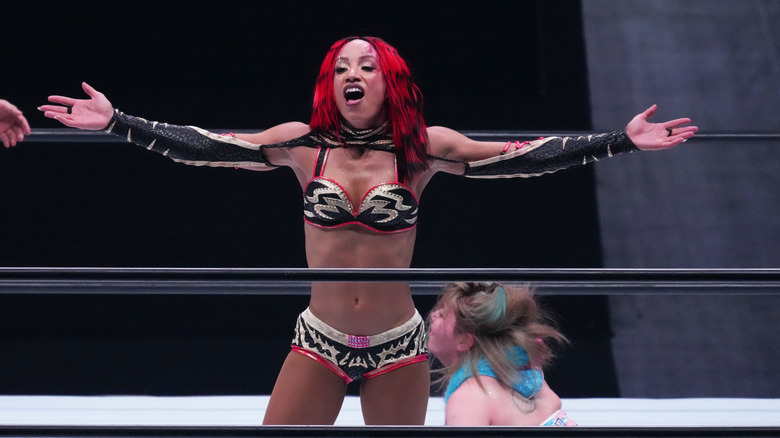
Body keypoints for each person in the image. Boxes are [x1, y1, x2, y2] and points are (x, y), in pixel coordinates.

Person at [38, 36, 697, 425]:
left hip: (396, 345)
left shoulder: (421, 150)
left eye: (366, 67)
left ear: (390, 82)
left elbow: (519, 157)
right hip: (319, 337)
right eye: (341, 68)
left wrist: (619, 141)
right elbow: (210, 145)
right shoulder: (302, 145)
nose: (353, 75)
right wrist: (120, 122)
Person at [427, 282, 576, 426]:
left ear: (464, 341)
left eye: (442, 315)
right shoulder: (527, 376)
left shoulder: (469, 398)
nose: (433, 314)